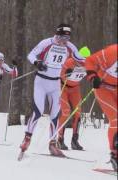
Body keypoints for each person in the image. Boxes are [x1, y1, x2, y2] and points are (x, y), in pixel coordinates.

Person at [19, 24, 84, 157]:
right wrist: (37, 62)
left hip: (55, 84)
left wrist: (91, 66)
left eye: (66, 37)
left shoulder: (70, 47)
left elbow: (81, 59)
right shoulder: (46, 42)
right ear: (57, 35)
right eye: (61, 37)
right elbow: (31, 54)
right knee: (38, 112)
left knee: (55, 114)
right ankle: (27, 138)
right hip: (41, 82)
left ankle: (52, 144)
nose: (63, 41)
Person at [85, 44, 117, 171]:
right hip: (104, 88)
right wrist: (93, 76)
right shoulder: (113, 51)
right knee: (115, 119)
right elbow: (90, 60)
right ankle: (115, 154)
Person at [57, 46, 91, 150]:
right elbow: (60, 74)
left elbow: (92, 73)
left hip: (75, 88)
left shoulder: (88, 64)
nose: (80, 64)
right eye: (78, 62)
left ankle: (74, 140)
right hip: (63, 86)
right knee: (66, 112)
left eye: (82, 62)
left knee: (78, 112)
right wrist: (66, 74)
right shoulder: (69, 62)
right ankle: (60, 139)